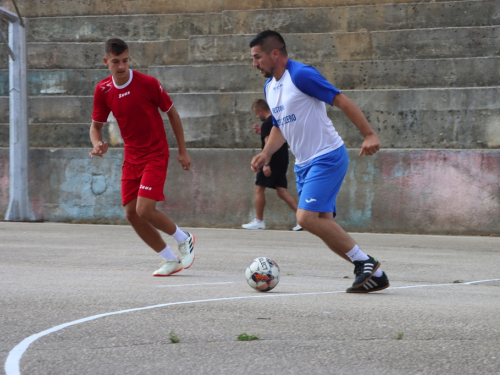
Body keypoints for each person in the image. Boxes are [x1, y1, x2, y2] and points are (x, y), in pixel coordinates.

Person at [249, 30, 389, 293]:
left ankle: (365, 262)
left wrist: (369, 134)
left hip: (327, 156)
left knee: (305, 218)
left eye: (257, 57)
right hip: (303, 164)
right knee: (323, 225)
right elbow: (279, 127)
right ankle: (377, 275)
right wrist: (266, 153)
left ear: (274, 54)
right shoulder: (270, 87)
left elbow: (340, 100)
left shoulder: (301, 75)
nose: (255, 64)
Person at [89, 38, 195, 277]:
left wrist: (182, 150)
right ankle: (170, 260)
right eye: (115, 62)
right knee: (131, 213)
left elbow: (172, 114)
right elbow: (95, 127)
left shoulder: (147, 83)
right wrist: (97, 145)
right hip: (132, 158)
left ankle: (184, 238)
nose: (121, 66)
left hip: (156, 154)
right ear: (106, 61)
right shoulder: (103, 90)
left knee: (145, 209)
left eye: (125, 60)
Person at [242, 99, 302, 231]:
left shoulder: (268, 123)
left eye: (256, 113)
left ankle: (259, 221)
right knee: (282, 191)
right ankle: (303, 219)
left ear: (261, 111)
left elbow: (269, 143)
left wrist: (266, 164)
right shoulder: (275, 121)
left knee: (259, 189)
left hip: (272, 161)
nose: (257, 116)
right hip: (281, 160)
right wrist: (261, 132)